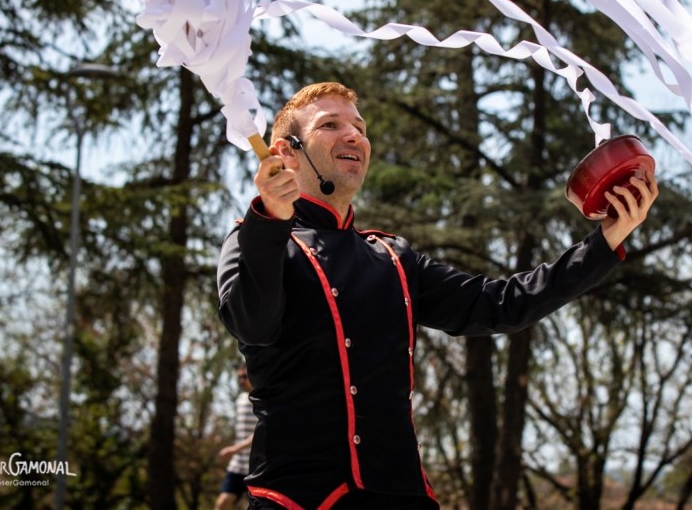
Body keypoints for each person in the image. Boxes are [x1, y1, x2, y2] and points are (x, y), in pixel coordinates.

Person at [217, 82, 658, 509]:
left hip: (403, 496)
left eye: (360, 127)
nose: (354, 135)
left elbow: (502, 304)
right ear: (286, 153)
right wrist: (271, 220)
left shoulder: (393, 257)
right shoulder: (253, 238)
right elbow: (253, 325)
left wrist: (605, 241)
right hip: (298, 500)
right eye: (330, 125)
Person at [215, 365, 257, 510]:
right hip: (237, 464)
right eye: (239, 377)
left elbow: (259, 433)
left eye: (245, 377)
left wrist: (234, 449)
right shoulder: (240, 400)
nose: (241, 381)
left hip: (255, 466)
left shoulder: (260, 400)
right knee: (222, 503)